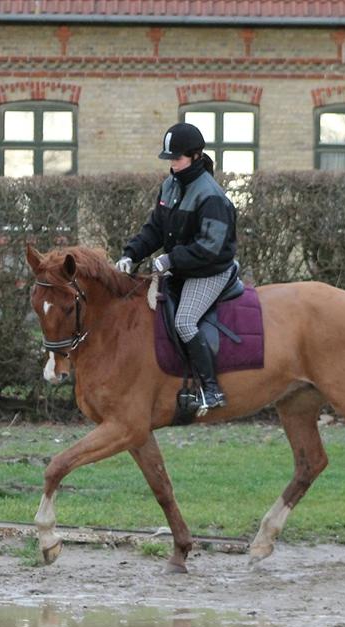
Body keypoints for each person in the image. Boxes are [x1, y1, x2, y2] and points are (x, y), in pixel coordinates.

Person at [116, 121, 238, 412]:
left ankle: (212, 390)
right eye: (169, 158)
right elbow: (155, 229)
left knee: (184, 321)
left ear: (196, 156)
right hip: (183, 269)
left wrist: (172, 259)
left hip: (210, 271)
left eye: (177, 158)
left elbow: (210, 247)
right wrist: (130, 255)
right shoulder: (170, 185)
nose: (172, 163)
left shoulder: (211, 196)